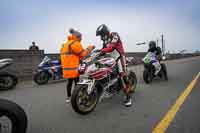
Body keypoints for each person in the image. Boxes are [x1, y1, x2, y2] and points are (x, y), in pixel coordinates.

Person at [96, 24, 132, 107]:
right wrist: (97, 53)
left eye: (101, 35)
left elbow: (111, 47)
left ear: (105, 32)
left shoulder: (114, 35)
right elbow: (103, 50)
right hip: (111, 59)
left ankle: (128, 97)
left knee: (122, 77)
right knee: (104, 72)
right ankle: (109, 89)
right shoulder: (105, 41)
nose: (101, 37)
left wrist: (101, 51)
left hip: (119, 57)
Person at [60, 28, 95, 103]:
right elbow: (83, 54)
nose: (81, 39)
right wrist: (90, 48)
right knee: (77, 83)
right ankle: (76, 97)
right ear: (77, 37)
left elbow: (73, 55)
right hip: (73, 68)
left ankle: (68, 97)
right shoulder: (75, 43)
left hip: (66, 69)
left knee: (69, 83)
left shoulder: (66, 44)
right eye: (81, 37)